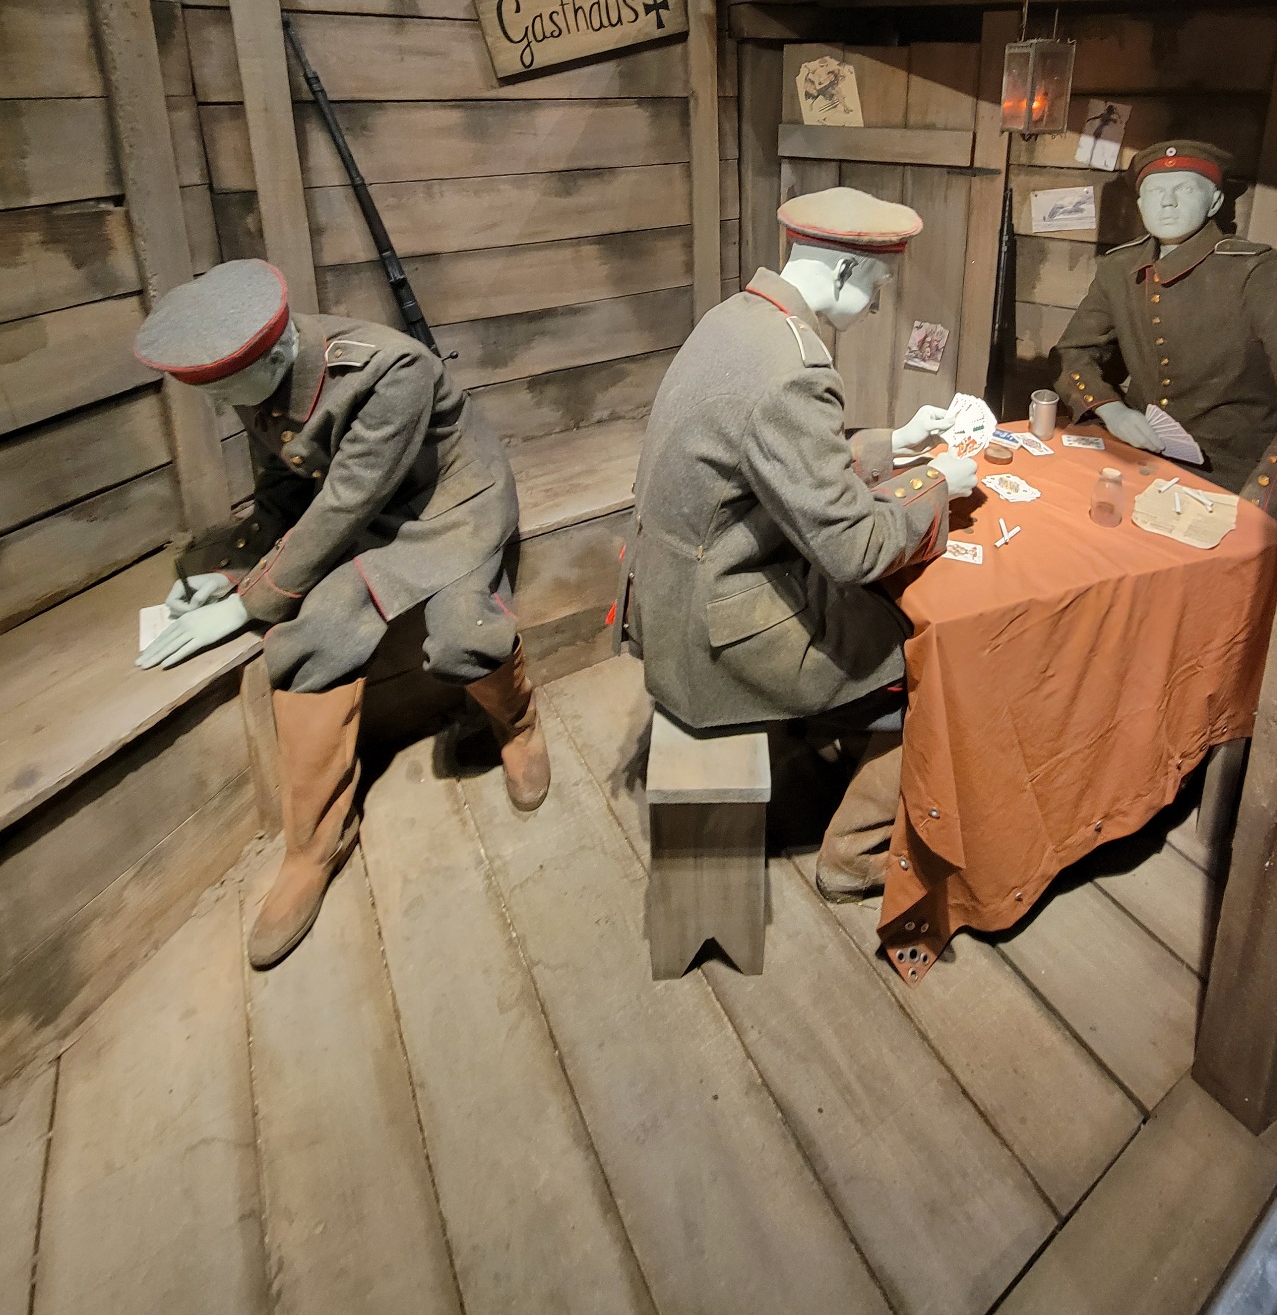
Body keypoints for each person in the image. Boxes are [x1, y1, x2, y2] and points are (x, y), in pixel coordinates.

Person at [132, 259, 546, 968]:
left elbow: (344, 501)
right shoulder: (263, 375)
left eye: (224, 390)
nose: (222, 404)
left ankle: (520, 724)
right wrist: (233, 572)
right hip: (372, 516)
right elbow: (285, 485)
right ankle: (315, 845)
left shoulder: (389, 370)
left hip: (451, 506)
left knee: (462, 636)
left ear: (274, 353)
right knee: (307, 638)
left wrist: (246, 606)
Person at [626, 186, 979, 902]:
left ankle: (833, 756)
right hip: (713, 627)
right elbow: (854, 550)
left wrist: (895, 442)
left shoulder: (739, 317)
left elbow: (772, 455)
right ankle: (852, 854)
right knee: (928, 659)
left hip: (668, 587)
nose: (876, 305)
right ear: (845, 271)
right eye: (877, 283)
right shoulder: (795, 368)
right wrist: (937, 483)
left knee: (868, 615)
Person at [1055, 139, 1277, 521]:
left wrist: (1263, 500)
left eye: (1183, 189)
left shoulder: (1259, 272)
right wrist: (1112, 411)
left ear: (1214, 202)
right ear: (1140, 205)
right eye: (1155, 192)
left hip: (1228, 475)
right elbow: (1074, 353)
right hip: (1135, 454)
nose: (1167, 203)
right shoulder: (1120, 269)